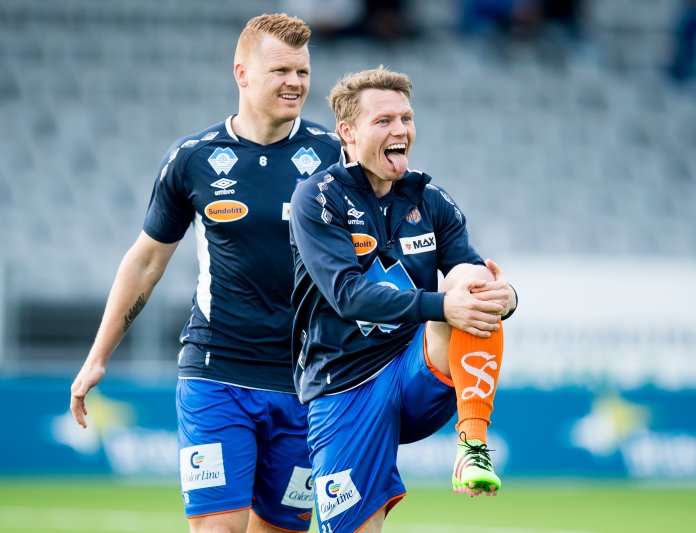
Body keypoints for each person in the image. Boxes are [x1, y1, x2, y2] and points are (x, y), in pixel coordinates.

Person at [69, 13, 342, 533]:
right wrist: (97, 357)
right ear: (241, 73)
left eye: (303, 72)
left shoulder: (334, 157)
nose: (295, 83)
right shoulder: (193, 159)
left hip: (304, 383)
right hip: (216, 373)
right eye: (280, 70)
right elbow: (146, 261)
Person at [289, 66, 518, 533]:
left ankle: (473, 446)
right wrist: (441, 306)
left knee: (473, 280)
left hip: (414, 367)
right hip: (344, 383)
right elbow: (348, 296)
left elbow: (469, 279)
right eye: (384, 121)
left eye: (406, 118)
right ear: (348, 134)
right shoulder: (317, 198)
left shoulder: (430, 199)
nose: (400, 131)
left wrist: (508, 296)